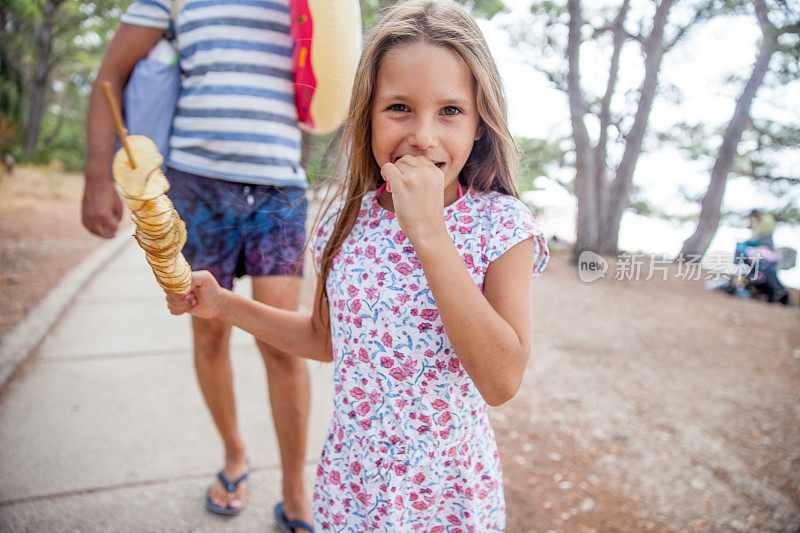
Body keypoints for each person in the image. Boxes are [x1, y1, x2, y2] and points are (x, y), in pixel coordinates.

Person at [167, 0, 549, 529]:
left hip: (444, 496)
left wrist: (428, 233)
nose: (423, 135)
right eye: (398, 108)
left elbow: (501, 380)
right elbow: (323, 339)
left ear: (481, 123)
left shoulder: (501, 228)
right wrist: (223, 304)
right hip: (351, 486)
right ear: (366, 114)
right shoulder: (346, 222)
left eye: (450, 111)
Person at [81, 0, 313, 527]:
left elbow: (342, 74)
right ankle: (235, 455)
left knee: (282, 344)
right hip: (194, 184)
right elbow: (111, 74)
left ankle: (296, 489)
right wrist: (99, 176)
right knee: (209, 333)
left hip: (279, 186)